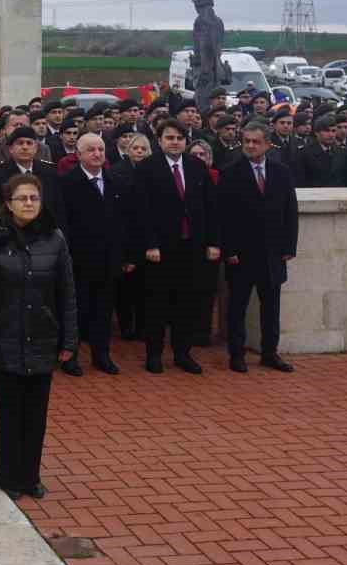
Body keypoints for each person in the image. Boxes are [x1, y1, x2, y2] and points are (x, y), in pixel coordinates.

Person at [0, 173, 76, 499]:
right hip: (5, 337)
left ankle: (31, 477)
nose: (28, 204)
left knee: (36, 416)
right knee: (8, 415)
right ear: (8, 203)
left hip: (43, 338)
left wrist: (69, 341)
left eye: (34, 198)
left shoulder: (55, 239)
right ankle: (9, 478)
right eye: (22, 198)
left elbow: (67, 293)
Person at [133, 118, 220, 374]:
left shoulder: (196, 167)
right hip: (160, 248)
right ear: (159, 141)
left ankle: (183, 353)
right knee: (157, 302)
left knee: (187, 302)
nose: (175, 142)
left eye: (180, 138)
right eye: (169, 138)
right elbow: (142, 210)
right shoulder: (147, 168)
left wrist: (213, 242)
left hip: (192, 246)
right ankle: (154, 354)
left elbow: (209, 207)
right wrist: (150, 243)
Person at [220, 122, 299, 372]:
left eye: (256, 142)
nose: (251, 146)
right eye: (247, 142)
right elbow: (224, 216)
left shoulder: (281, 172)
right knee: (237, 308)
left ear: (267, 144)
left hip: (273, 253)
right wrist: (229, 250)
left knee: (271, 307)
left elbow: (290, 212)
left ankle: (269, 353)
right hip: (241, 254)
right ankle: (236, 354)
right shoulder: (230, 172)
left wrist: (289, 247)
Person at [57, 133, 133, 376]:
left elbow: (125, 223)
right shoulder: (67, 182)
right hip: (78, 259)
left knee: (104, 310)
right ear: (78, 155)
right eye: (91, 150)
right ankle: (70, 356)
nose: (97, 154)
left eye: (100, 149)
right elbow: (63, 223)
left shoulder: (115, 181)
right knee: (76, 310)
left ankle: (102, 355)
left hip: (109, 259)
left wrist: (125, 256)